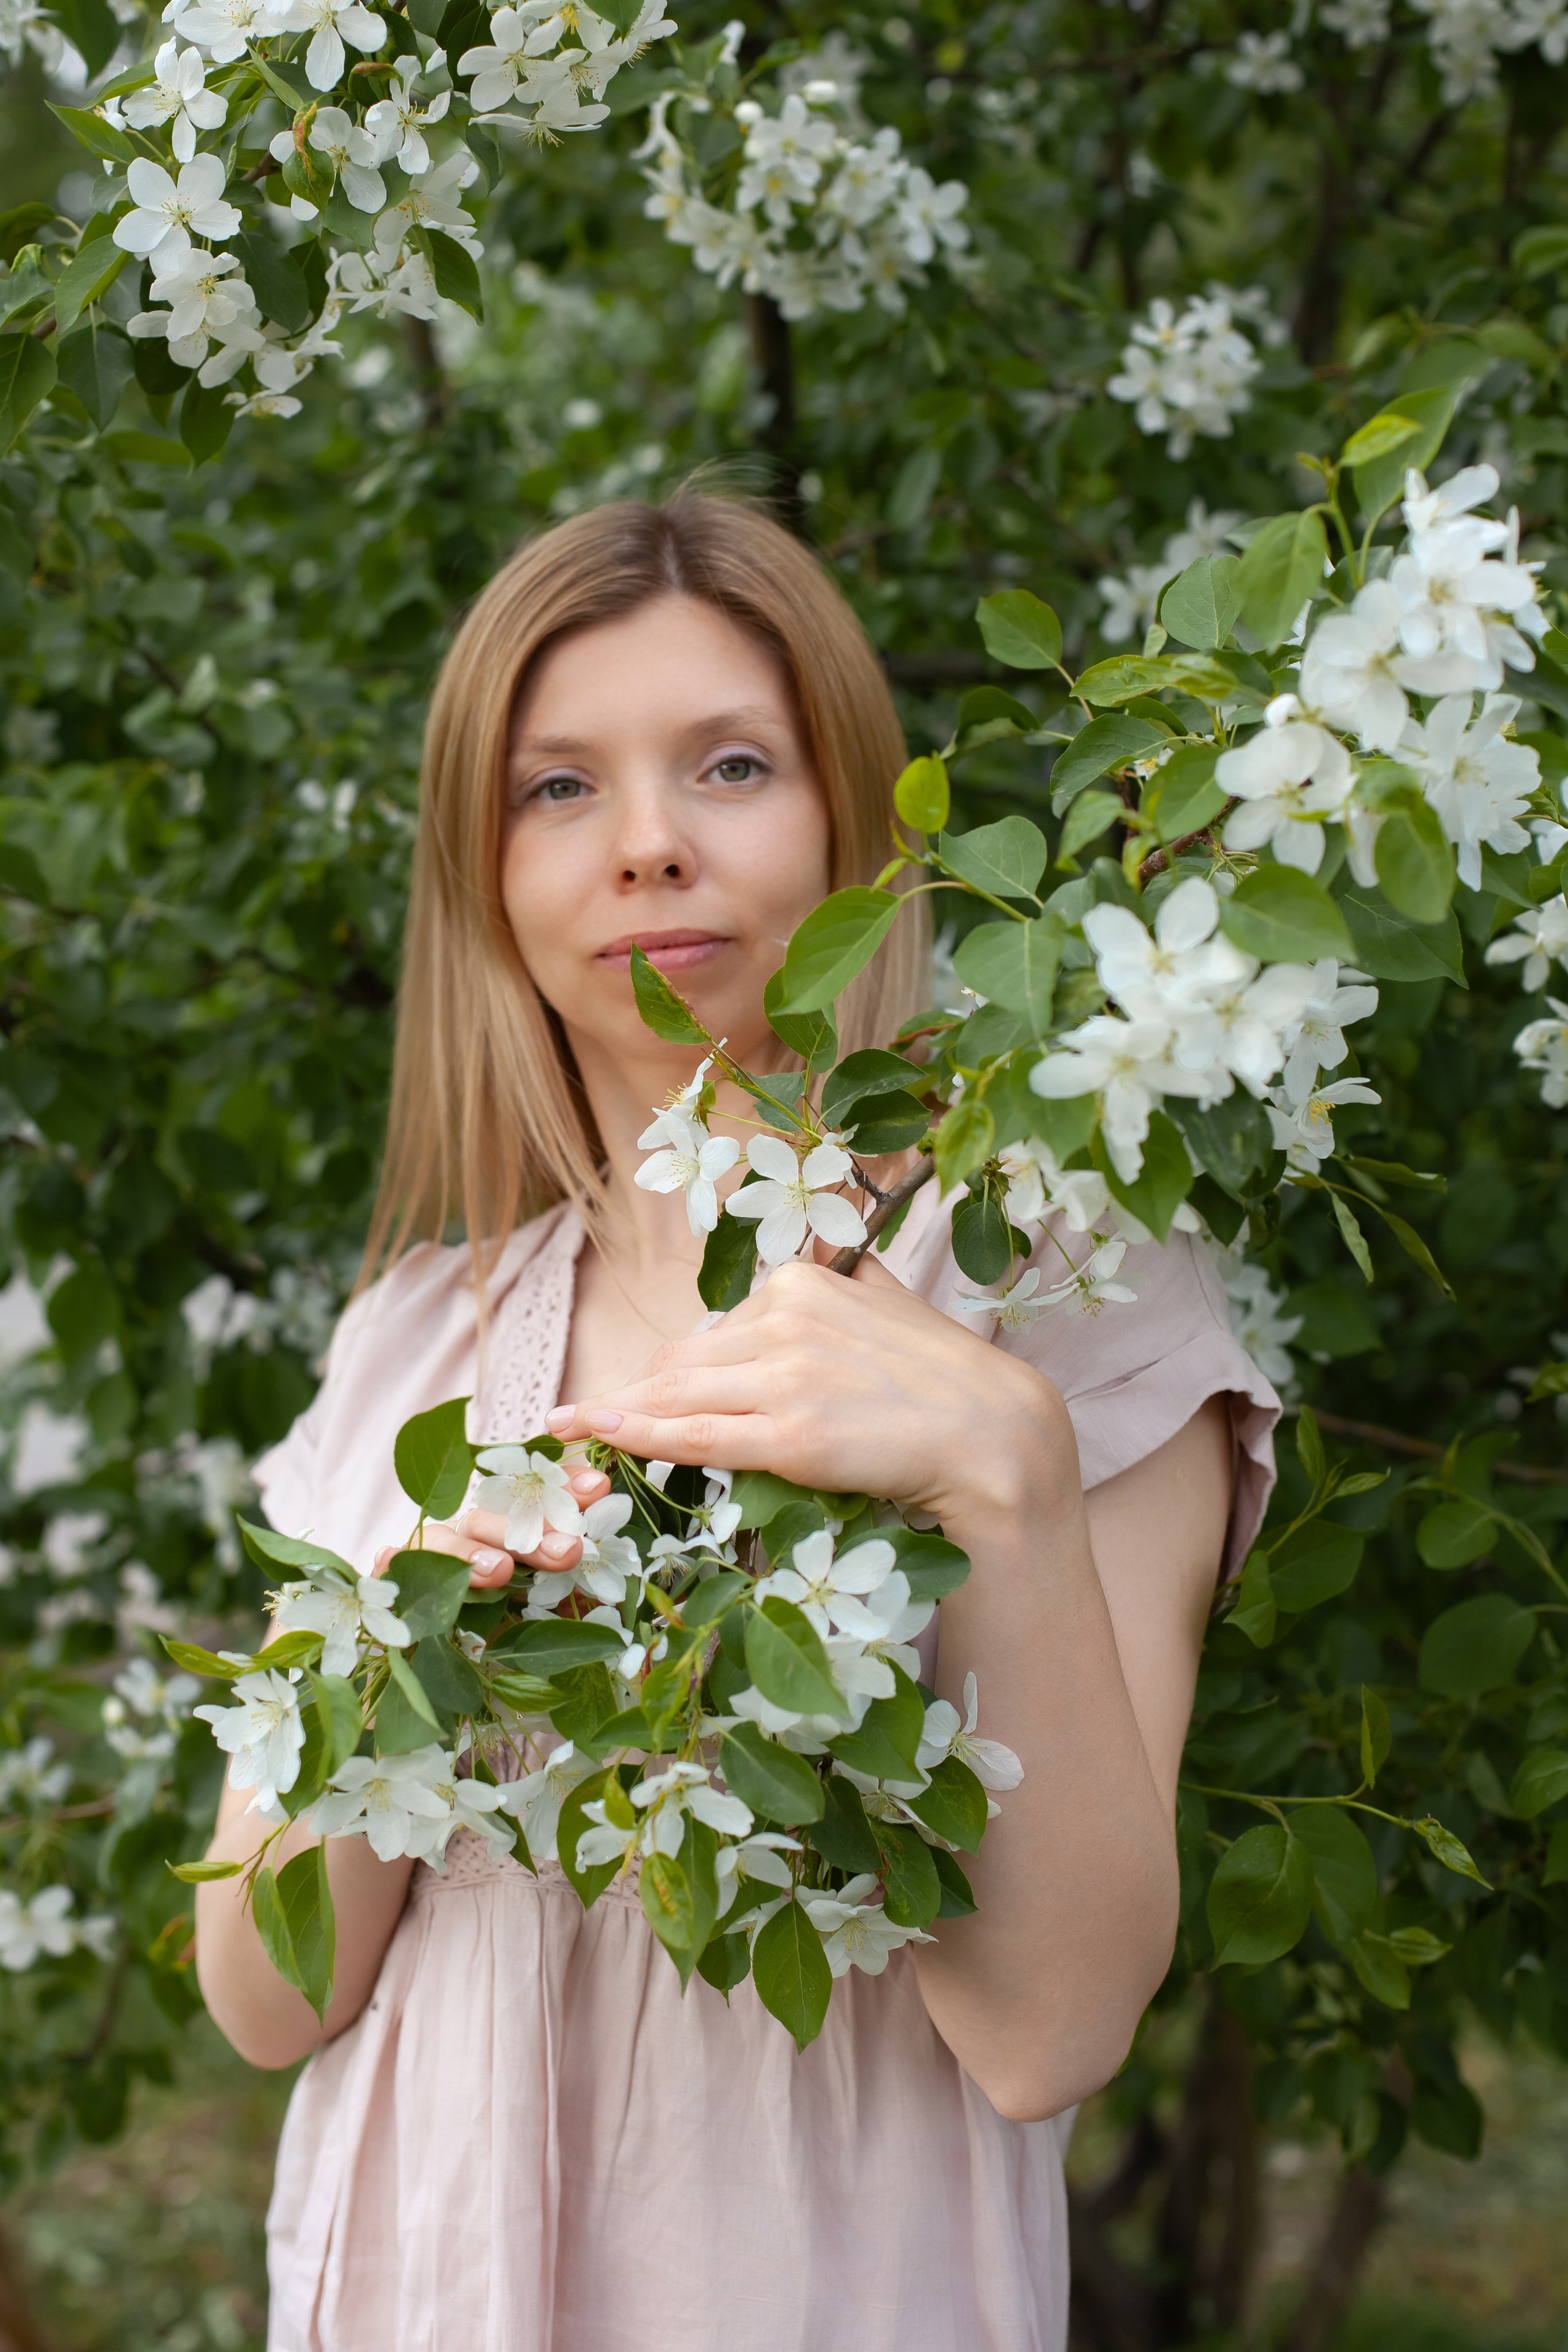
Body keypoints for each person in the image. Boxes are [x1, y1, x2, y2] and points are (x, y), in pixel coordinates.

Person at [194, 491, 1280, 2352]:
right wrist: (395, 1662)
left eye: (731, 765)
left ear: (851, 820)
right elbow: (264, 2002)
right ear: (482, 869)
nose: (648, 845)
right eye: (558, 788)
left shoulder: (1045, 1277)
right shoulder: (411, 1343)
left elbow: (1051, 2034)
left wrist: (1004, 1471)